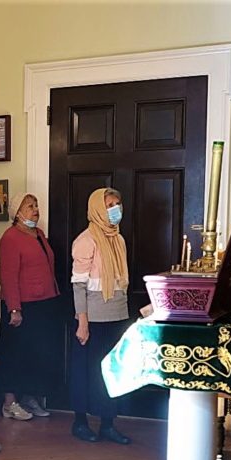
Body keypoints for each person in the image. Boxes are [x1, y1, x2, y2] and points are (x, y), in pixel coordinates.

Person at [70, 187, 132, 445]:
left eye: (117, 203)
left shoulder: (118, 239)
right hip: (93, 319)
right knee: (86, 372)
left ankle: (108, 423)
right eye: (109, 205)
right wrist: (82, 322)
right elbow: (78, 285)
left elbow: (121, 281)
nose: (115, 209)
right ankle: (80, 422)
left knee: (112, 371)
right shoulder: (86, 240)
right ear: (96, 208)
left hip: (117, 314)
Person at [0, 193, 63, 421]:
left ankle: (30, 398)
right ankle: (9, 403)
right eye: (29, 206)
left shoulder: (39, 234)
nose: (35, 210)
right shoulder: (10, 238)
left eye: (36, 205)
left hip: (44, 302)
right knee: (14, 354)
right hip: (22, 306)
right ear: (17, 213)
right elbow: (8, 276)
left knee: (37, 355)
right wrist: (14, 309)